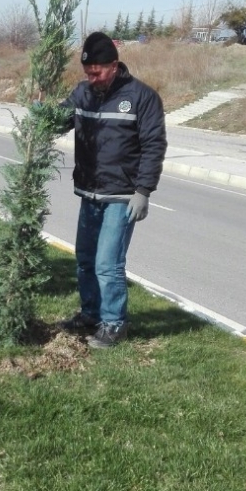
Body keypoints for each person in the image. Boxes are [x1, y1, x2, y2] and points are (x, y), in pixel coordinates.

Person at [58, 32, 167, 348]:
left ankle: (114, 323)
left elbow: (153, 146)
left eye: (97, 73)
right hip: (89, 192)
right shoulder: (82, 93)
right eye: (87, 73)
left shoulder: (142, 97)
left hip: (121, 195)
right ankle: (90, 314)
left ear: (115, 65)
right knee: (85, 259)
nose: (91, 79)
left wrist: (143, 191)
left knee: (108, 264)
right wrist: (41, 116)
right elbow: (59, 121)